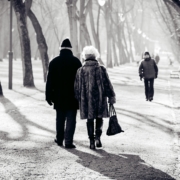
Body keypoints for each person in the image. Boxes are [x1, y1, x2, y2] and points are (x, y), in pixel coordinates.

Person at [74, 46, 116, 149]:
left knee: (89, 119)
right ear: (95, 56)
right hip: (100, 99)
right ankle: (97, 137)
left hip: (86, 101)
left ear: (85, 57)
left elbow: (76, 87)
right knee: (99, 118)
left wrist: (78, 98)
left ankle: (91, 141)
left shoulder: (80, 70)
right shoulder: (101, 69)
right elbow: (107, 84)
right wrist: (111, 97)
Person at [46, 38, 82, 148]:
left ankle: (59, 139)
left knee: (60, 119)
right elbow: (80, 81)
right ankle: (68, 141)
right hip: (73, 96)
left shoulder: (54, 62)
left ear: (60, 49)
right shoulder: (76, 62)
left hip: (58, 96)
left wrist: (48, 96)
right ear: (71, 49)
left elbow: (49, 81)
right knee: (71, 119)